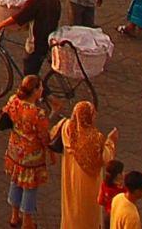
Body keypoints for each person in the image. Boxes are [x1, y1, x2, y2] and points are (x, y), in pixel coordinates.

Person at [0, 74, 52, 229]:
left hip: (15, 150)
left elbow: (5, 113)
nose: (42, 90)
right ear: (34, 91)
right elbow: (44, 136)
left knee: (15, 181)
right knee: (29, 186)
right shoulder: (37, 114)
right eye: (40, 87)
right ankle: (27, 221)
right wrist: (50, 151)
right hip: (31, 156)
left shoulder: (13, 101)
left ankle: (14, 216)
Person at [53, 98, 113, 229]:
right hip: (89, 185)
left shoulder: (67, 128)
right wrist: (111, 142)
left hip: (70, 179)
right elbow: (106, 158)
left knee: (71, 209)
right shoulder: (96, 138)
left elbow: (52, 133)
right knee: (88, 214)